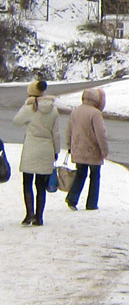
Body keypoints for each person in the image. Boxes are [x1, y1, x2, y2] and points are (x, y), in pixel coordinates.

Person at [13, 80, 60, 226]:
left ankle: (29, 214)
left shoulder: (29, 109)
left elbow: (17, 121)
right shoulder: (53, 109)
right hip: (46, 149)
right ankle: (39, 217)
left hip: (31, 149)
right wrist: (56, 151)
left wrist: (27, 104)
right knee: (40, 186)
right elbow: (56, 133)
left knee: (27, 183)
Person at [66, 87, 109, 211]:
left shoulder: (75, 111)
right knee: (95, 176)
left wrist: (69, 145)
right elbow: (101, 134)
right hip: (93, 150)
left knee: (80, 174)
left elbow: (69, 130)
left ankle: (72, 198)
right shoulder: (95, 113)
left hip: (78, 148)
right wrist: (104, 150)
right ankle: (91, 203)